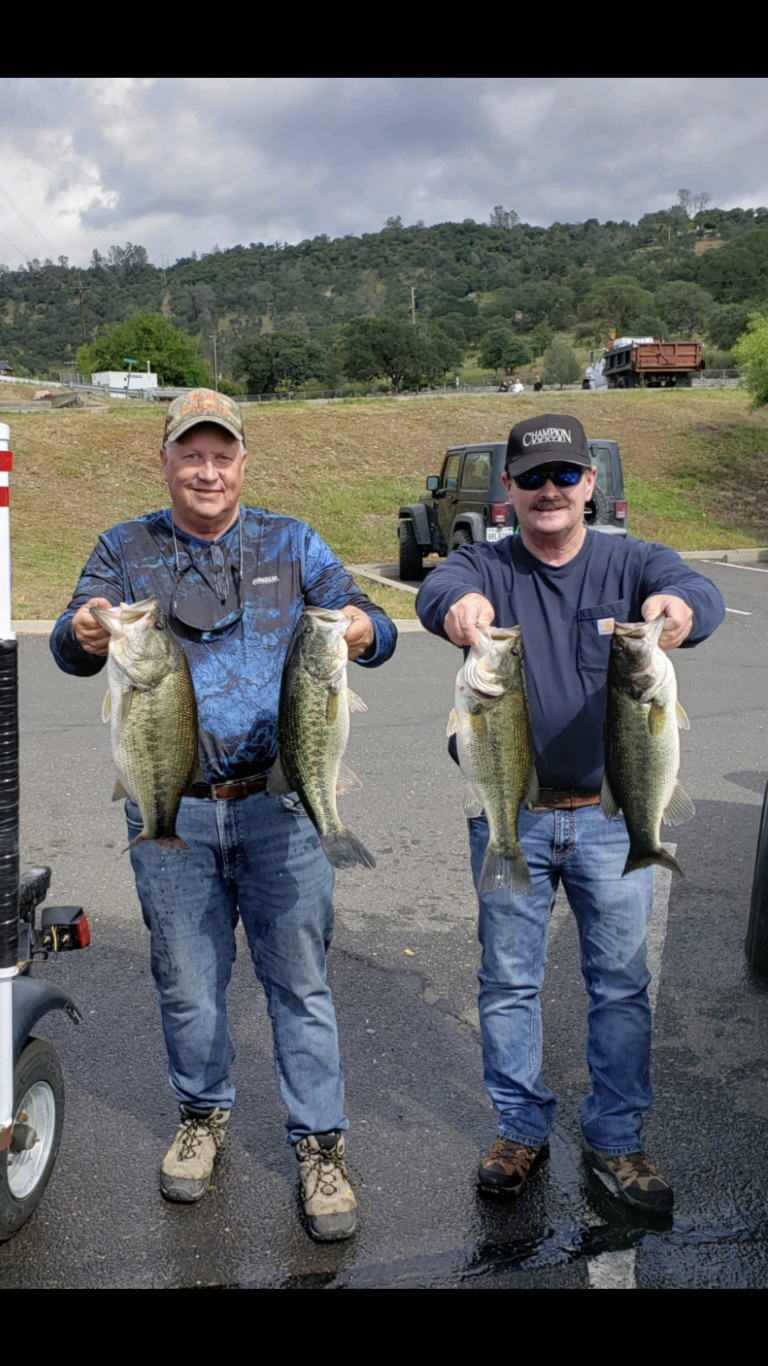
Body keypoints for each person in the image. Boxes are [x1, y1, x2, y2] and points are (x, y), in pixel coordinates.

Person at [51, 388, 397, 1242]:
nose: (208, 470)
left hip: (283, 804)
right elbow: (68, 638)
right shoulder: (124, 548)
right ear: (164, 460)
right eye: (191, 454)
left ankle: (320, 1145)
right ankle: (202, 1116)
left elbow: (377, 628)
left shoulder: (293, 541)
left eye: (223, 454)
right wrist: (87, 629)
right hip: (172, 807)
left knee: (301, 984)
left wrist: (361, 628)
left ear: (244, 462)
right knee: (187, 981)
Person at [416, 412, 724, 1212]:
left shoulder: (632, 560)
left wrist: (679, 609)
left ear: (590, 485)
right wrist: (454, 610)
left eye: (565, 476)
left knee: (620, 986)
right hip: (508, 812)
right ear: (508, 491)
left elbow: (700, 592)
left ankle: (618, 1140)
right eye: (531, 478)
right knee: (508, 983)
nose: (548, 491)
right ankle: (520, 1129)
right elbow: (442, 590)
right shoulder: (483, 563)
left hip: (613, 817)